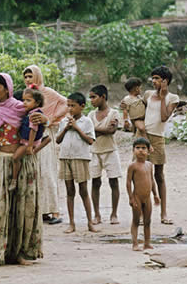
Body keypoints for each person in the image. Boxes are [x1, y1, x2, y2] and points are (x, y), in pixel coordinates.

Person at [0, 73, 47, 268]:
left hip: (26, 162)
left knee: (25, 207)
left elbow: (38, 123)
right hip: (3, 163)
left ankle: (21, 252)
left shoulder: (22, 108)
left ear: (7, 89)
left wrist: (44, 119)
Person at [23, 65, 69, 225]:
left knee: (47, 171)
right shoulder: (27, 94)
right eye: (26, 77)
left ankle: (55, 211)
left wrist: (52, 116)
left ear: (37, 76)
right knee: (34, 172)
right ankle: (41, 211)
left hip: (45, 134)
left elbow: (66, 103)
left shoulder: (48, 92)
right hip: (30, 135)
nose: (28, 79)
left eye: (30, 76)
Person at [143, 65, 180, 225]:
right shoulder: (148, 95)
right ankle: (143, 212)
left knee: (159, 175)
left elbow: (164, 117)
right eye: (153, 78)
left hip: (158, 138)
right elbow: (142, 113)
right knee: (142, 174)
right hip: (143, 137)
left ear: (165, 81)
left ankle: (163, 213)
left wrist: (163, 96)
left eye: (157, 78)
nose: (153, 81)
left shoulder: (173, 98)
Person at [56, 92, 97, 233]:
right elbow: (58, 140)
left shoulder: (86, 122)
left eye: (73, 106)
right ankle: (71, 223)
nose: (70, 109)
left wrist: (77, 128)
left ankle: (90, 223)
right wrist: (67, 127)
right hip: (65, 157)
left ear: (82, 106)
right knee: (69, 191)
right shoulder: (64, 122)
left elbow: (90, 140)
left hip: (81, 157)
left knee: (83, 190)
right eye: (68, 105)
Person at [89, 85, 122, 225]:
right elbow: (88, 131)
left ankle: (114, 214)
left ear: (103, 97)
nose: (91, 100)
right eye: (90, 97)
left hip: (110, 151)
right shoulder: (91, 115)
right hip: (94, 151)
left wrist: (96, 129)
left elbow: (111, 131)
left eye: (94, 97)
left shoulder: (114, 113)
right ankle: (97, 214)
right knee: (95, 182)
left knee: (113, 181)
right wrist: (103, 129)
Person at [8, 86, 47, 191]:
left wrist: (30, 146)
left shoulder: (34, 115)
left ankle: (14, 180)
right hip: (27, 142)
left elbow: (33, 130)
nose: (24, 103)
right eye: (24, 100)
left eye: (28, 100)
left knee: (15, 158)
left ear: (37, 103)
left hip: (28, 143)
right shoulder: (30, 112)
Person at [126, 137, 159, 251]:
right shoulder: (132, 166)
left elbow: (152, 180)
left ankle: (147, 243)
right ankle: (135, 243)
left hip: (147, 198)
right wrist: (131, 198)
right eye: (137, 148)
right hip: (137, 197)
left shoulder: (149, 165)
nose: (140, 150)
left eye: (143, 148)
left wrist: (155, 195)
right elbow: (128, 183)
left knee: (147, 221)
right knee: (136, 220)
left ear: (149, 150)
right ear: (133, 150)